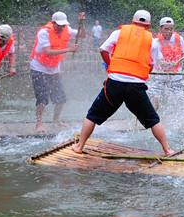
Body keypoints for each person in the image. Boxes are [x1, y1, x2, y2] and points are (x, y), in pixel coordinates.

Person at [72, 10, 177, 156]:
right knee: (153, 119)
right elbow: (151, 65)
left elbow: (103, 50)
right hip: (136, 86)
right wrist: (141, 72)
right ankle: (168, 150)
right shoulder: (152, 41)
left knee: (93, 115)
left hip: (115, 82)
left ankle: (79, 147)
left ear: (133, 22)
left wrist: (110, 66)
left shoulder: (118, 33)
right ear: (149, 25)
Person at [30, 11, 85, 132]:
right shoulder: (44, 32)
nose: (61, 27)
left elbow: (82, 35)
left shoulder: (67, 29)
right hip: (39, 68)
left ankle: (56, 120)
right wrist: (69, 49)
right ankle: (38, 123)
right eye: (59, 25)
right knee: (42, 96)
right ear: (53, 23)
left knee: (60, 97)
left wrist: (81, 23)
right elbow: (48, 52)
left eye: (63, 25)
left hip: (54, 69)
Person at [150, 16, 184, 111]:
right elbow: (160, 62)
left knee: (179, 98)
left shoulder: (179, 38)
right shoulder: (156, 42)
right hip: (160, 74)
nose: (169, 31)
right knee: (156, 98)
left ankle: (180, 118)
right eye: (166, 29)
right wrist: (169, 63)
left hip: (175, 74)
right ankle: (151, 118)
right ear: (160, 29)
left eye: (171, 29)